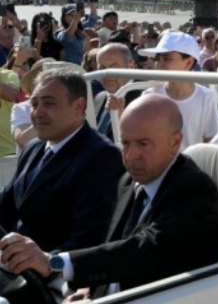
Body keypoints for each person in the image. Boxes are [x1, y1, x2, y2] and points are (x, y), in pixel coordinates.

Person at [0, 93, 218, 298]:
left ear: (175, 142)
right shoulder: (130, 181)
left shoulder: (193, 191)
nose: (131, 155)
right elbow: (111, 243)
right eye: (125, 143)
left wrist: (53, 262)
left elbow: (144, 251)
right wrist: (88, 289)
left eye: (143, 144)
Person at [0, 68, 125, 252]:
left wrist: (47, 262)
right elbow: (7, 206)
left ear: (79, 106)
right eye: (34, 104)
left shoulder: (102, 157)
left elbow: (90, 238)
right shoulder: (33, 149)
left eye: (49, 103)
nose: (38, 112)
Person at [138, 30, 218, 150]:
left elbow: (211, 141)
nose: (159, 64)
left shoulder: (206, 97)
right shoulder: (149, 95)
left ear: (188, 63)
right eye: (158, 58)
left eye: (166, 59)